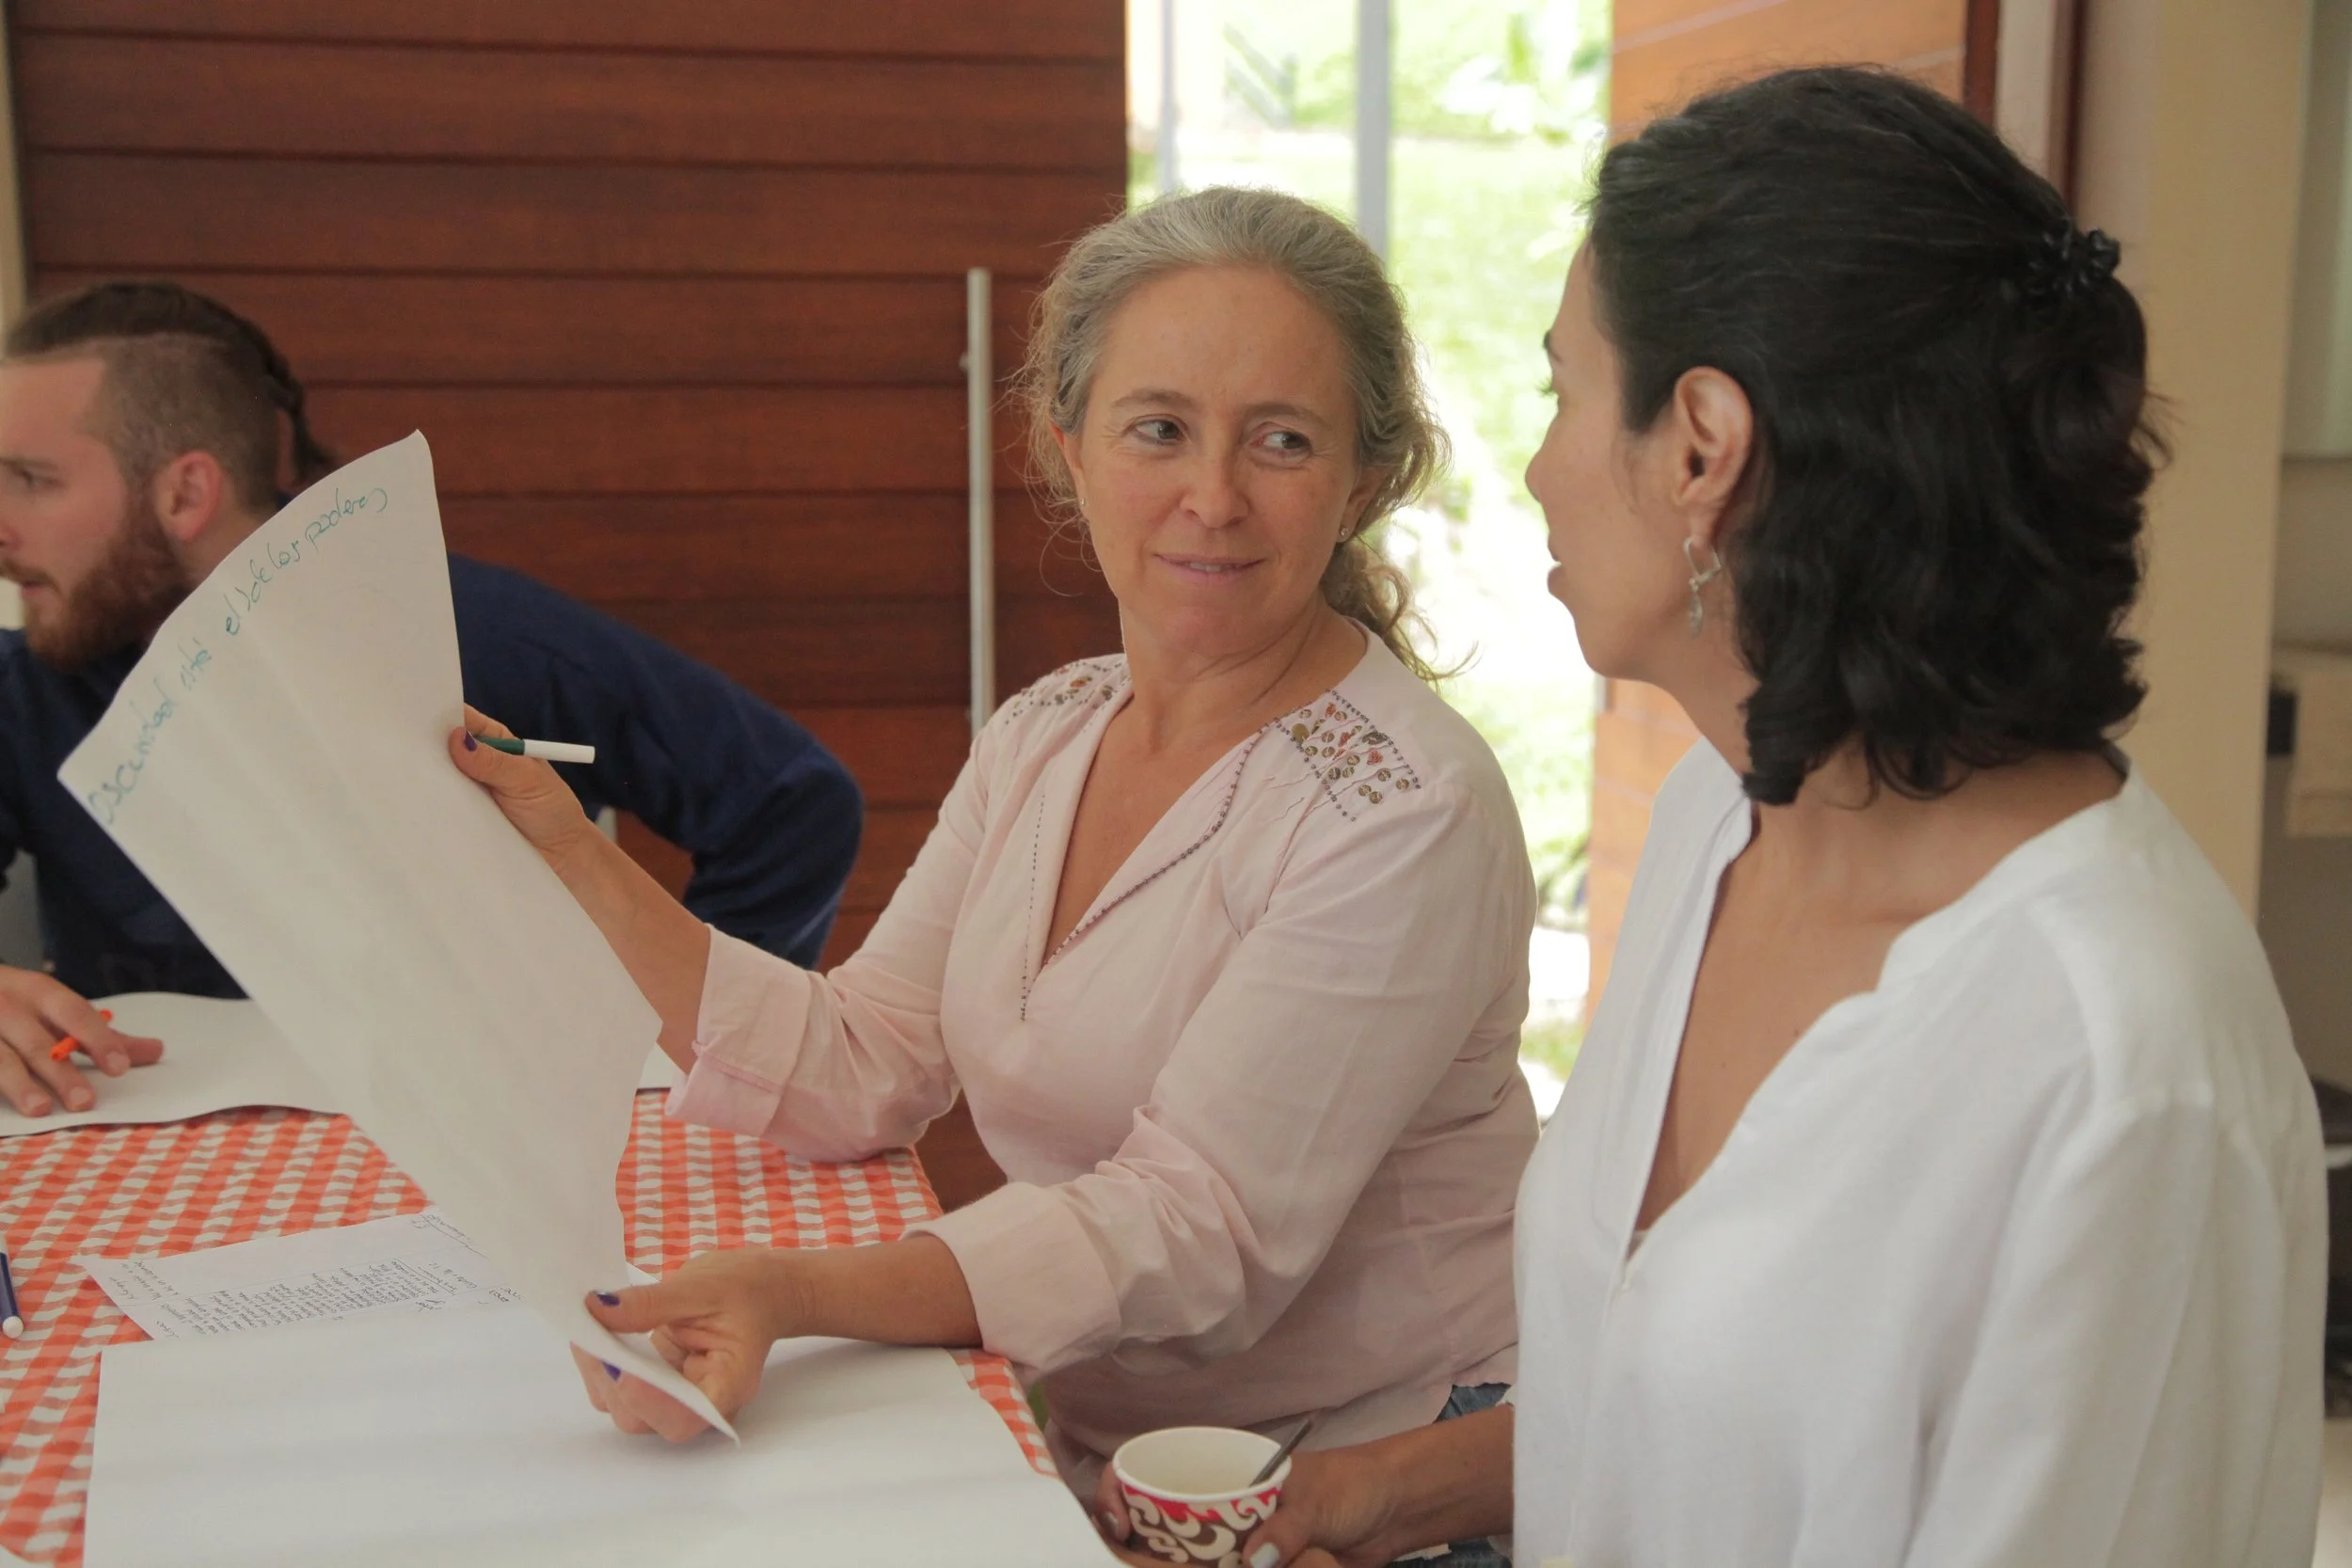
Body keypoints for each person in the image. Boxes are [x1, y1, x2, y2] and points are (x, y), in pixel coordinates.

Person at [1210, 66, 2327, 1568]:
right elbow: (1690, 1404)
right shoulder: (1718, 818)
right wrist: (1374, 1497)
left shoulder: (2119, 1063)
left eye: (1561, 391)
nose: (1537, 467)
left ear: (1703, 449)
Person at [453, 185, 1537, 1544]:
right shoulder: (1052, 725)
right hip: (1111, 1433)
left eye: (1281, 440)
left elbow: (1195, 1223)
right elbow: (865, 1052)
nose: (1212, 497)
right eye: (1159, 428)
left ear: (1361, 483)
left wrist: (802, 1292)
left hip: (1367, 1462)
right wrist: (568, 844)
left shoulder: (1406, 811)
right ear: (1069, 449)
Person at [0, 281, 862, 1118]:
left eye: (32, 480)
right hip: (132, 1140)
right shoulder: (22, 683)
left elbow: (793, 804)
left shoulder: (471, 635)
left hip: (481, 1150)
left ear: (185, 494)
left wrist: (674, 1044)